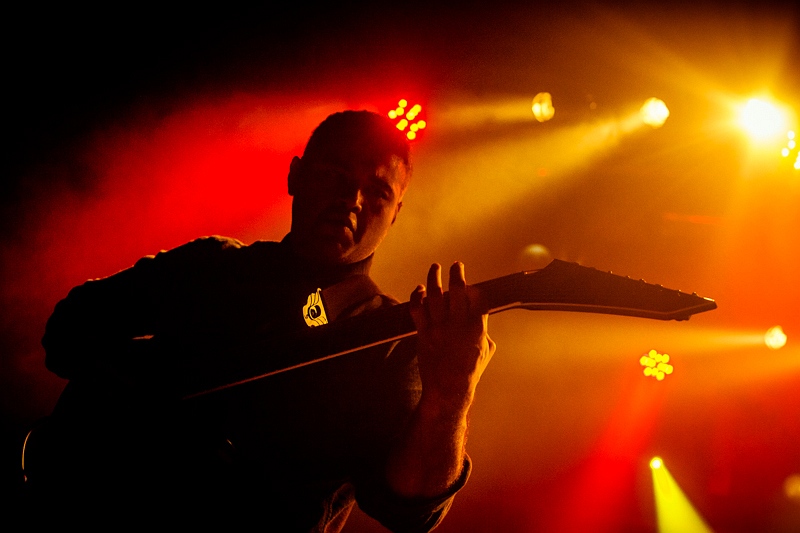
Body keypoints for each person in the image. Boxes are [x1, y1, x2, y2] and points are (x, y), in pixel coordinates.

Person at [28, 110, 496, 532]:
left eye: (377, 191)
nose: (351, 199)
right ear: (296, 176)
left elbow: (409, 512)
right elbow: (67, 331)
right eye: (335, 174)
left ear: (396, 214)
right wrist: (139, 398)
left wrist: (452, 393)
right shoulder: (212, 267)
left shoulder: (390, 344)